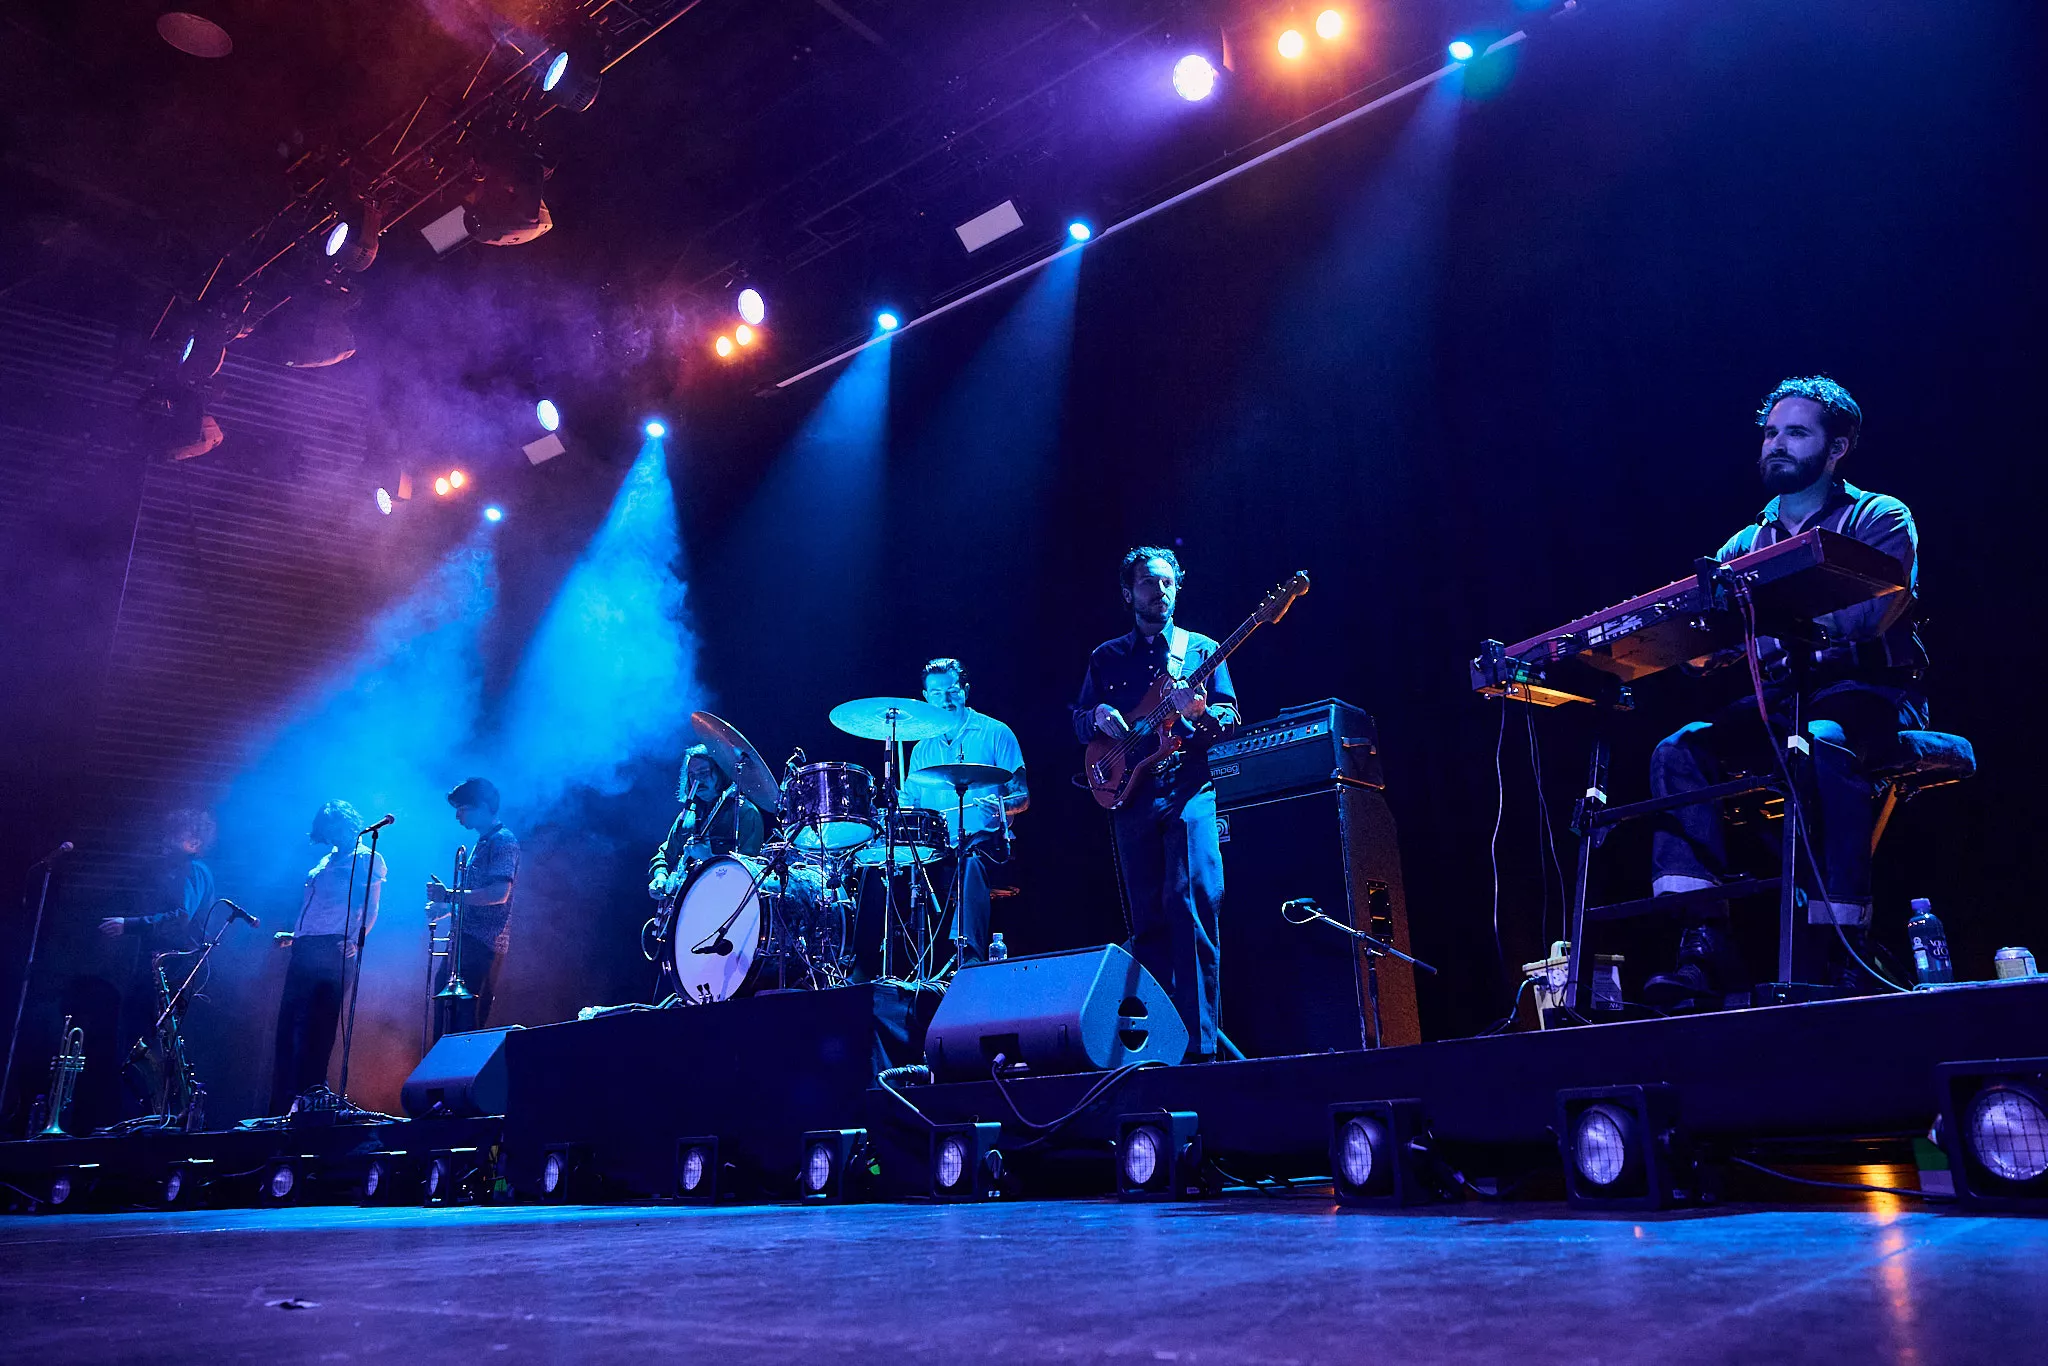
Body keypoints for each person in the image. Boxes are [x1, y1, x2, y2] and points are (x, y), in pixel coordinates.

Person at [1644, 376, 1927, 1008]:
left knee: (1820, 740)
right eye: (1770, 433)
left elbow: (1864, 614)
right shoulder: (1743, 546)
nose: (1776, 444)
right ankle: (1702, 943)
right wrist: (1693, 645)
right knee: (1678, 750)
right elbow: (1705, 641)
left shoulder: (1879, 517)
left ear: (1837, 448)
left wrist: (1759, 615)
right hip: (1783, 699)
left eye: (1796, 433)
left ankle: (1843, 945)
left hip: (1869, 692)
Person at [1072, 547, 1239, 1059]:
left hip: (1188, 786)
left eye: (1167, 582)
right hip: (1132, 794)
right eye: (1148, 582)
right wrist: (1096, 716)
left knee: (1192, 903)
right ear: (1129, 593)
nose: (1159, 591)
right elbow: (1079, 720)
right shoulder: (1105, 657)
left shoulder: (1201, 649)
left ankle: (1201, 1051)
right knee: (1146, 920)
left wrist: (1201, 712)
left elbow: (1230, 718)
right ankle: (1156, 1048)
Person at [904, 657, 1027, 964]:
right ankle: (870, 965)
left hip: (990, 847)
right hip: (938, 852)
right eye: (936, 693)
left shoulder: (996, 733)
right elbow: (910, 805)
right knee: (888, 868)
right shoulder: (921, 749)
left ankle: (969, 960)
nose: (945, 700)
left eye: (952, 691)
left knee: (971, 861)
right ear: (926, 697)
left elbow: (1023, 796)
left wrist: (1001, 807)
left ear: (966, 691)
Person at [269, 800, 385, 1113]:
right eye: (327, 830)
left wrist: (356, 939)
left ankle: (309, 1097)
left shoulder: (366, 857)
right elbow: (319, 906)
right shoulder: (326, 859)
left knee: (318, 1026)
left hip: (335, 947)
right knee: (290, 1024)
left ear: (348, 823)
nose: (332, 834)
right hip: (306, 946)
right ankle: (283, 1102)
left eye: (336, 827)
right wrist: (296, 935)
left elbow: (371, 905)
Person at [99, 809, 216, 1113]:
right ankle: (144, 1113)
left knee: (152, 1042)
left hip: (172, 967)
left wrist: (130, 924)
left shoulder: (192, 869)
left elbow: (181, 917)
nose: (167, 839)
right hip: (160, 965)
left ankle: (158, 1113)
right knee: (142, 1041)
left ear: (194, 841)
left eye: (176, 833)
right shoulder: (175, 870)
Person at [427, 777, 519, 1032]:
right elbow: (479, 898)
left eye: (463, 808)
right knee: (446, 1019)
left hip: (483, 945)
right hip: (466, 943)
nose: (458, 815)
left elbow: (499, 894)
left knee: (465, 1023)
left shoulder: (503, 840)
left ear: (482, 805)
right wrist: (448, 909)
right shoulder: (484, 841)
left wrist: (449, 896)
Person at [647, 744, 766, 902]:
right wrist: (660, 876)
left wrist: (708, 858)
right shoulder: (687, 815)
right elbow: (664, 855)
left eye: (703, 773)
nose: (697, 781)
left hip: (722, 904)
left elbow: (749, 876)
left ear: (721, 772)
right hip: (683, 905)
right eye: (692, 775)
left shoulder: (745, 813)